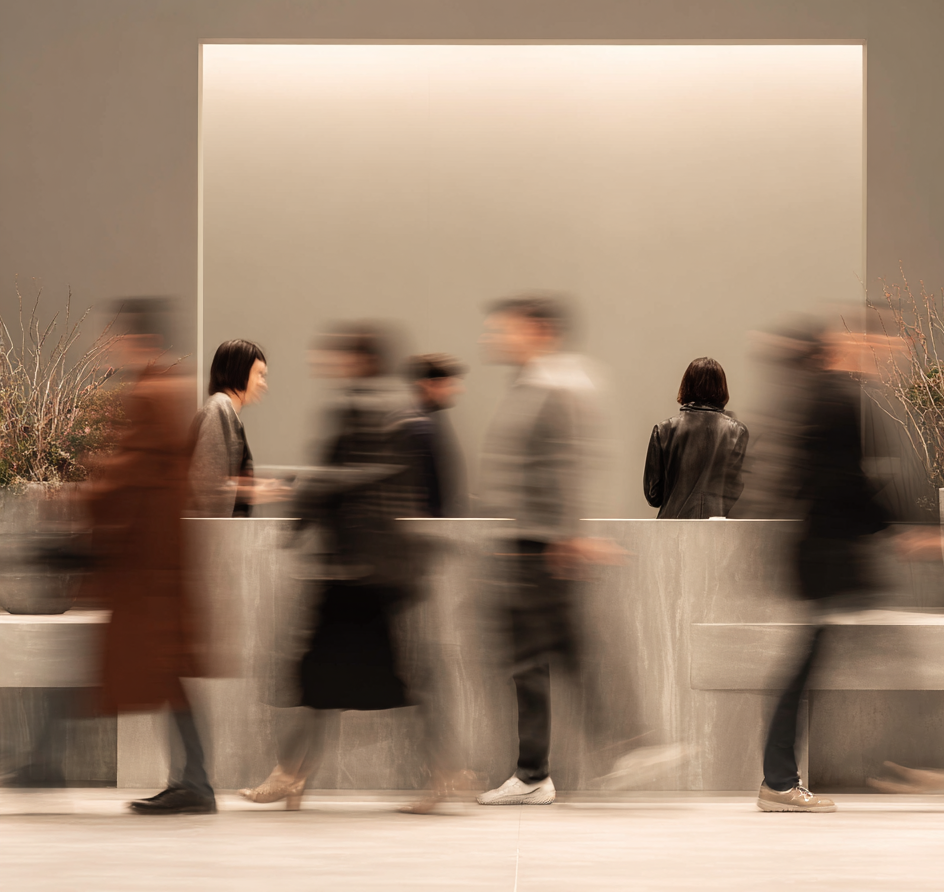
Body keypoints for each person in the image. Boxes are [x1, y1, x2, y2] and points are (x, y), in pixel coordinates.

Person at [475, 296, 681, 807]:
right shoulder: (536, 382)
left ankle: (624, 743)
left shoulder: (556, 384)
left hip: (544, 545)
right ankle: (542, 769)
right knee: (538, 657)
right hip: (530, 541)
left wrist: (573, 533)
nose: (495, 338)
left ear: (538, 329)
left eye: (506, 329)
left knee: (564, 650)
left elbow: (573, 462)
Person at [239, 323, 444, 810]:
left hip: (359, 574)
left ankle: (439, 774)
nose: (330, 362)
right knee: (326, 681)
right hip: (359, 572)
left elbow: (346, 480)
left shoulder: (365, 411)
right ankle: (293, 774)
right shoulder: (383, 410)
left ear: (360, 359)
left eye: (341, 355)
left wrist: (300, 508)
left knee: (343, 679)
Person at [87, 299, 216, 815]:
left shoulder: (150, 393)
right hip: (164, 567)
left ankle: (197, 783)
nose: (111, 347)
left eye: (116, 337)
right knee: (169, 676)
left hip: (151, 571)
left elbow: (134, 471)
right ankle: (193, 780)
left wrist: (85, 488)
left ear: (134, 339)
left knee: (165, 673)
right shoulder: (168, 388)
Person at [756, 324, 885, 813]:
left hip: (820, 554)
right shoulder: (836, 397)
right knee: (802, 667)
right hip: (829, 557)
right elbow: (844, 479)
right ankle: (779, 781)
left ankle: (780, 779)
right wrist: (895, 529)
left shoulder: (814, 394)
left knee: (804, 664)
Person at [188, 339, 284, 517]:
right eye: (260, 374)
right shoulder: (218, 408)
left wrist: (253, 488)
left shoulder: (225, 411)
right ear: (240, 371)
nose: (264, 384)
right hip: (213, 538)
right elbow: (207, 484)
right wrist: (252, 492)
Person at [643, 357, 748, 519]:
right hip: (718, 530)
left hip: (671, 529)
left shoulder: (663, 430)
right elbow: (736, 489)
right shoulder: (738, 431)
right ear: (722, 387)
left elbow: (653, 495)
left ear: (686, 385)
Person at [405, 353, 468, 518]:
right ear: (429, 385)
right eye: (450, 384)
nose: (458, 390)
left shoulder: (431, 420)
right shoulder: (419, 427)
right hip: (428, 525)